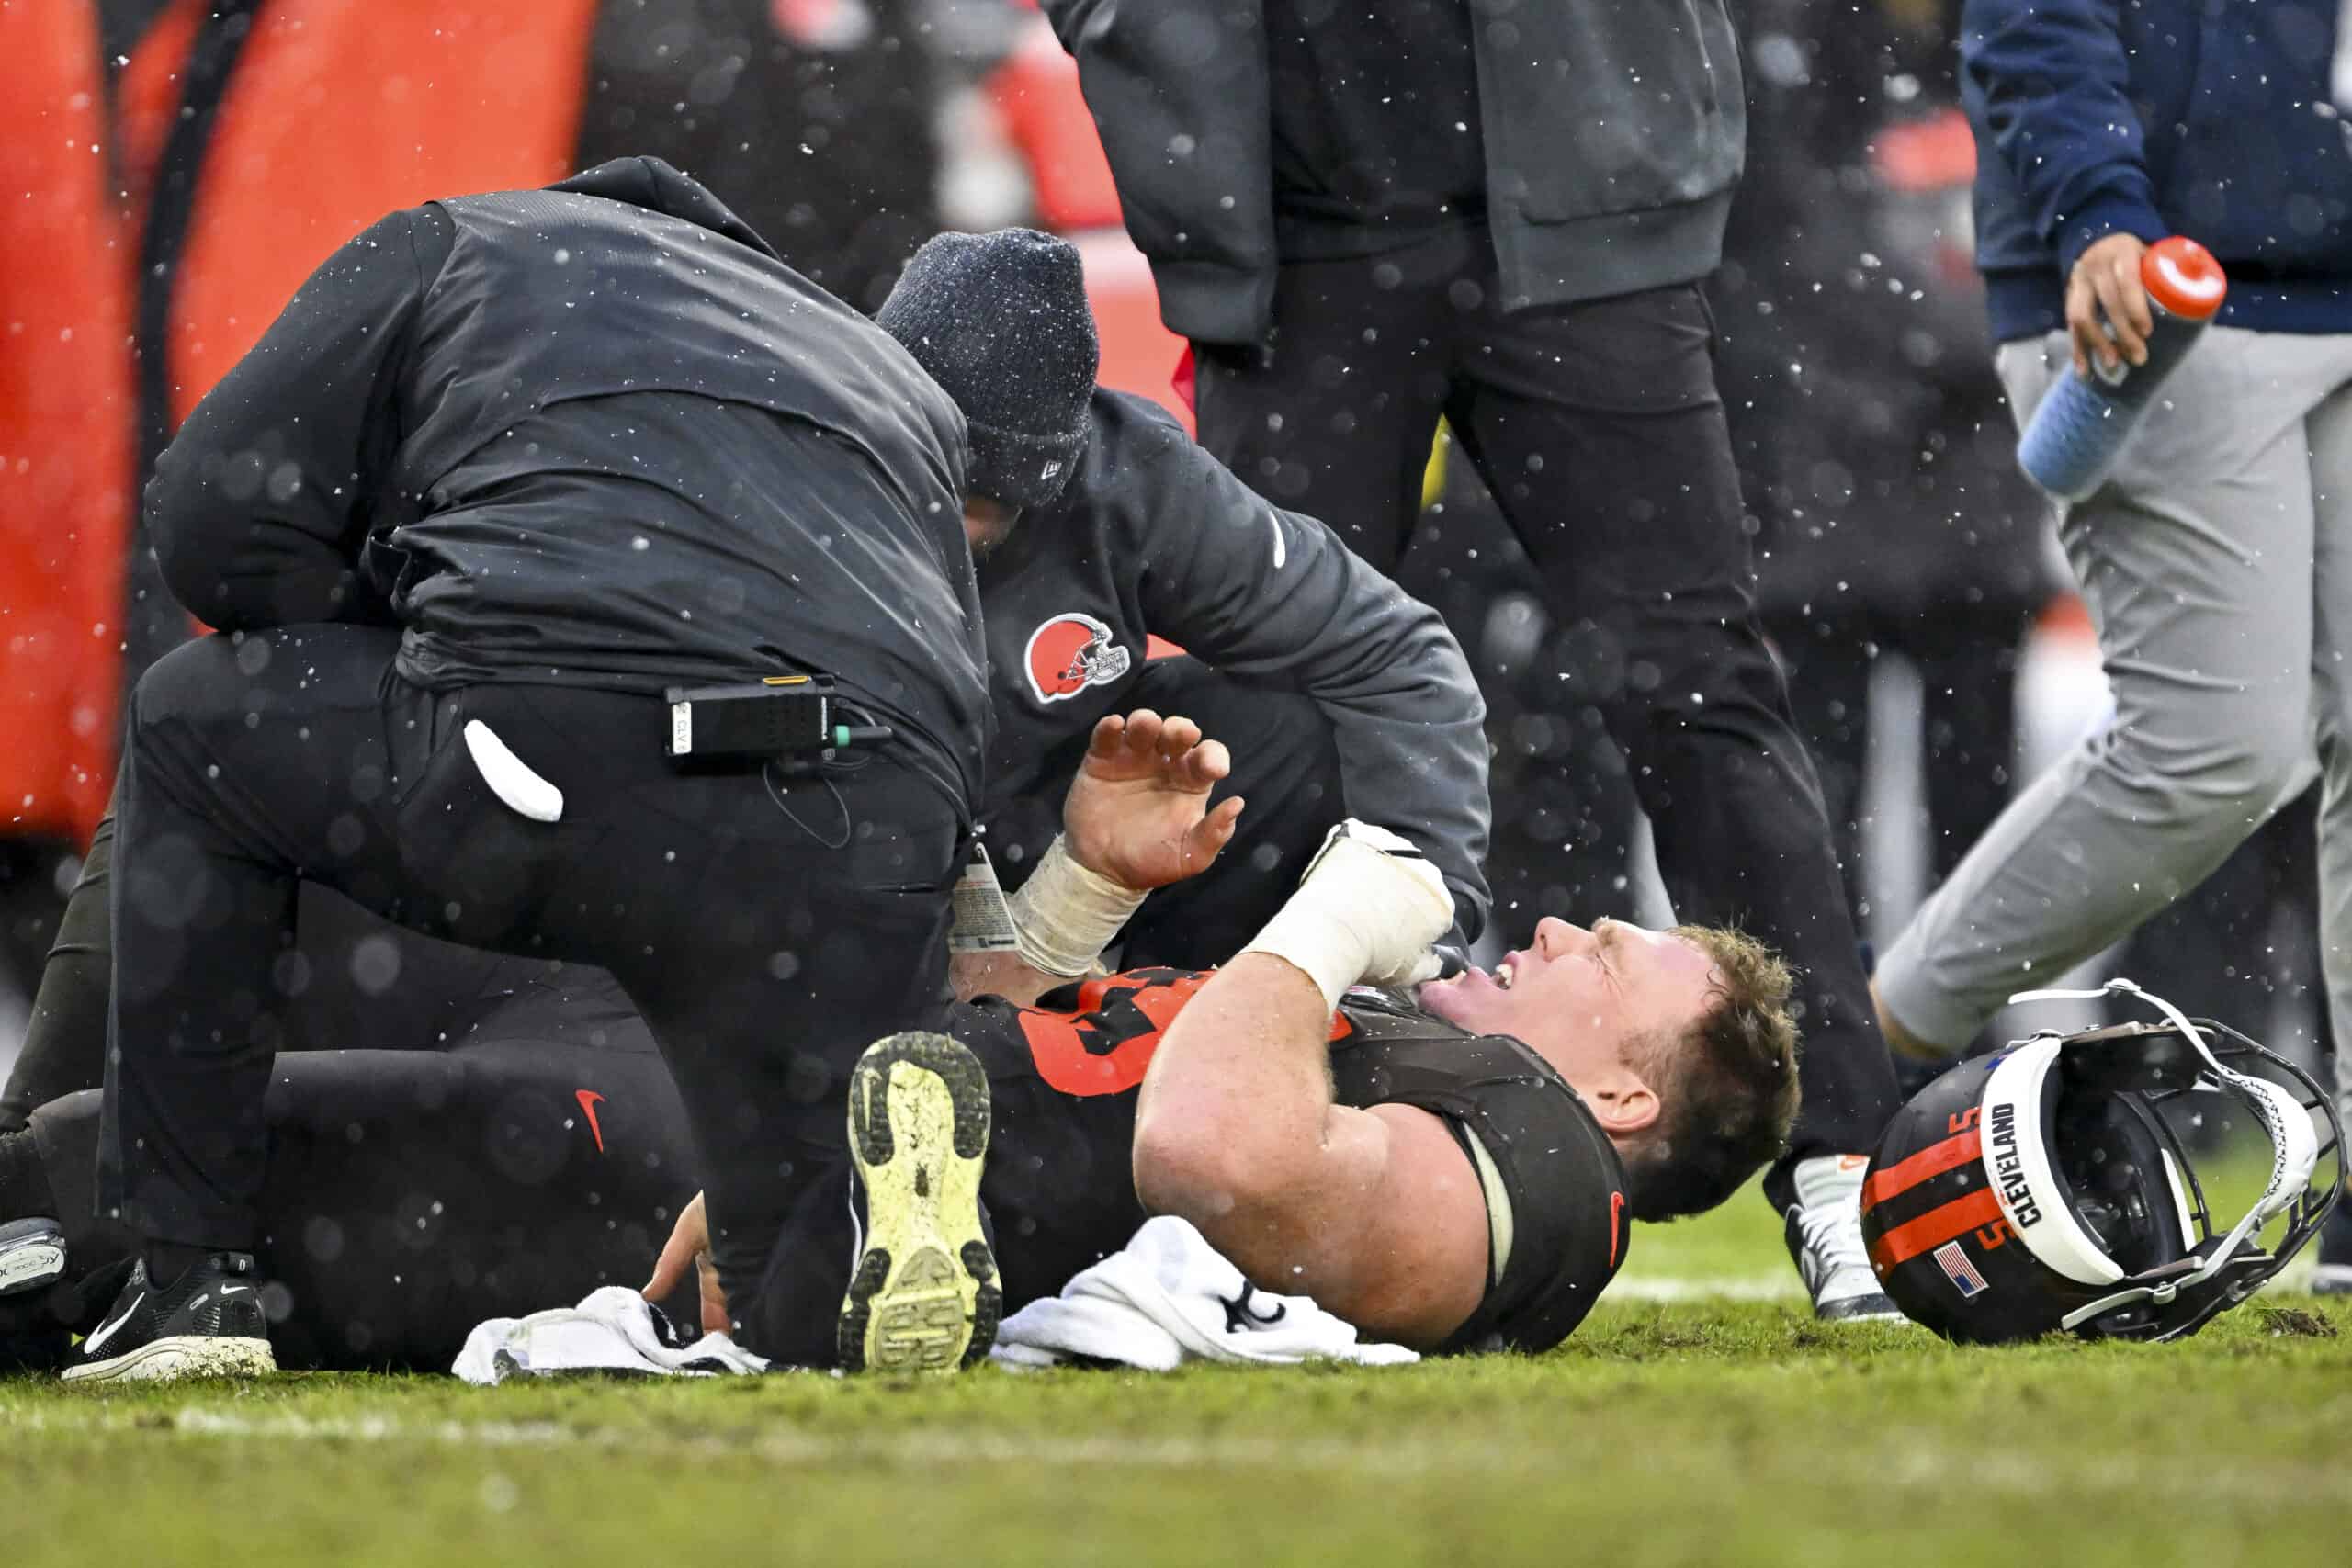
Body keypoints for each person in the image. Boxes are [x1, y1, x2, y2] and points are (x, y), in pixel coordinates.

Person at [65, 156, 1035, 1382]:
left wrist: (395, 617)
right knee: (771, 1268)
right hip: (860, 813)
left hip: (555, 748)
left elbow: (207, 524)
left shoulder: (460, 245)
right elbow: (947, 668)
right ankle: (828, 1257)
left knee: (189, 719)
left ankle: (188, 1282)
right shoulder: (869, 361)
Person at [0, 712, 1800, 1371]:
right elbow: (1031, 1062)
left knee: (105, 1180)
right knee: (233, 796)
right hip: (732, 1049)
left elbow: (1216, 1155)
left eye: (1610, 955)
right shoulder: (1390, 1043)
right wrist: (1089, 894)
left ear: (1619, 1085)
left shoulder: (1540, 1164)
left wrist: (1326, 920)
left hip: (703, 1176)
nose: (1563, 929)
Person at [1036, 0, 1905, 1316]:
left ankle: (1844, 1167)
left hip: (1575, 199)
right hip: (1299, 221)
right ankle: (1175, 1167)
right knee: (1255, 720)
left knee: (1695, 684)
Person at [1869, 0, 2352, 1295]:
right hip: (2168, 281)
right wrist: (2096, 210)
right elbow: (2037, 22)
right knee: (2214, 750)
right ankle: (1882, 1034)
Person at [872, 230, 1492, 964]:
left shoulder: (1133, 484)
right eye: (927, 478)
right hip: (843, 832)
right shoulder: (788, 467)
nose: (947, 519)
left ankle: (1166, 1010)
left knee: (1278, 735)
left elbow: (1393, 651)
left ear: (1054, 470)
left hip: (1033, 816)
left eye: (983, 498)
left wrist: (1426, 918)